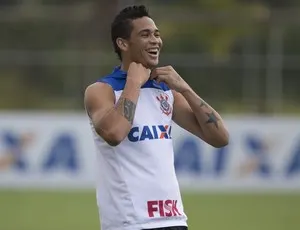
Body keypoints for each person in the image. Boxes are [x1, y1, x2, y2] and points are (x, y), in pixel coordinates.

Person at [84, 5, 229, 230]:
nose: (155, 41)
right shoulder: (101, 90)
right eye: (145, 35)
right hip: (130, 223)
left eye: (156, 34)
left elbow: (220, 137)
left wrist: (185, 89)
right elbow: (114, 133)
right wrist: (133, 82)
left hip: (174, 220)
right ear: (123, 44)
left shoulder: (166, 92)